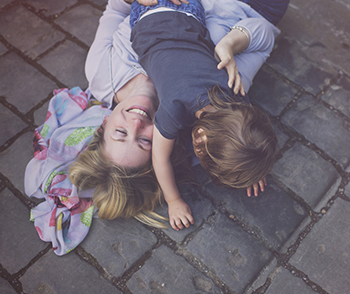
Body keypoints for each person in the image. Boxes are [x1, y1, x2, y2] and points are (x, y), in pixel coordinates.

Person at [66, 0, 281, 228]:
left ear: (104, 123)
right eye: (145, 140)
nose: (136, 123)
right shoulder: (230, 87)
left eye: (121, 132)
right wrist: (250, 160)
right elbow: (264, 34)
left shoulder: (100, 73)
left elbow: (116, 8)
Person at [128, 0, 277, 230]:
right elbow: (160, 158)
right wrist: (173, 200)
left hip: (190, 15)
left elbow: (249, 133)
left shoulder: (235, 94)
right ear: (198, 140)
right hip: (146, 18)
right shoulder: (174, 105)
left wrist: (252, 162)